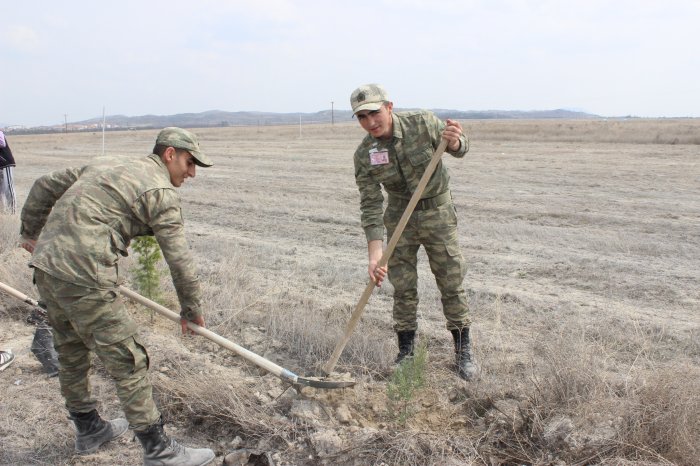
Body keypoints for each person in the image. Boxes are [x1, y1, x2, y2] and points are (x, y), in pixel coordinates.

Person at [19, 127, 216, 466]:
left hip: (48, 268)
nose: (192, 172)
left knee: (70, 349)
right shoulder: (159, 190)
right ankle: (159, 449)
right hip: (84, 276)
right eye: (189, 162)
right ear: (169, 154)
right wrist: (191, 309)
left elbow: (43, 184)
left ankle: (89, 428)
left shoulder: (106, 163)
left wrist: (30, 232)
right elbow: (179, 259)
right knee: (128, 359)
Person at [350, 84, 478, 381]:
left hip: (438, 213)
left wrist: (455, 142)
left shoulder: (422, 123)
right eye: (362, 117)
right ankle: (406, 353)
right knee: (403, 288)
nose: (370, 122)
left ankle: (463, 353)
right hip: (400, 219)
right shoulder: (365, 154)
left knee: (451, 281)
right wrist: (375, 254)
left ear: (389, 107)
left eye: (374, 113)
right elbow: (370, 204)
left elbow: (461, 150)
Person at [0, 129, 17, 214]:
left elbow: (2, 143)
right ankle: (3, 213)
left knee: (8, 189)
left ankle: (12, 213)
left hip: (5, 163)